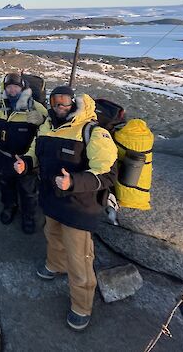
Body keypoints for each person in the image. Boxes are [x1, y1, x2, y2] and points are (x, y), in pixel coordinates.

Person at [14, 86, 117, 330]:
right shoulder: (46, 127)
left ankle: (82, 306)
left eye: (65, 102)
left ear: (74, 103)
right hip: (52, 199)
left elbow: (108, 172)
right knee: (52, 236)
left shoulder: (92, 131)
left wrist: (74, 182)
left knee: (79, 258)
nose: (60, 106)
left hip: (78, 207)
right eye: (55, 101)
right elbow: (35, 153)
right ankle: (55, 265)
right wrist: (26, 164)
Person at [0, 72, 47, 232]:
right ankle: (9, 207)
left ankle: (28, 217)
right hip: (3, 156)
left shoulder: (35, 107)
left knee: (28, 191)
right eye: (9, 86)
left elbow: (46, 130)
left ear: (22, 88)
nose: (12, 90)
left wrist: (40, 121)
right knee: (6, 185)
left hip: (26, 160)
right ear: (5, 88)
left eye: (16, 86)